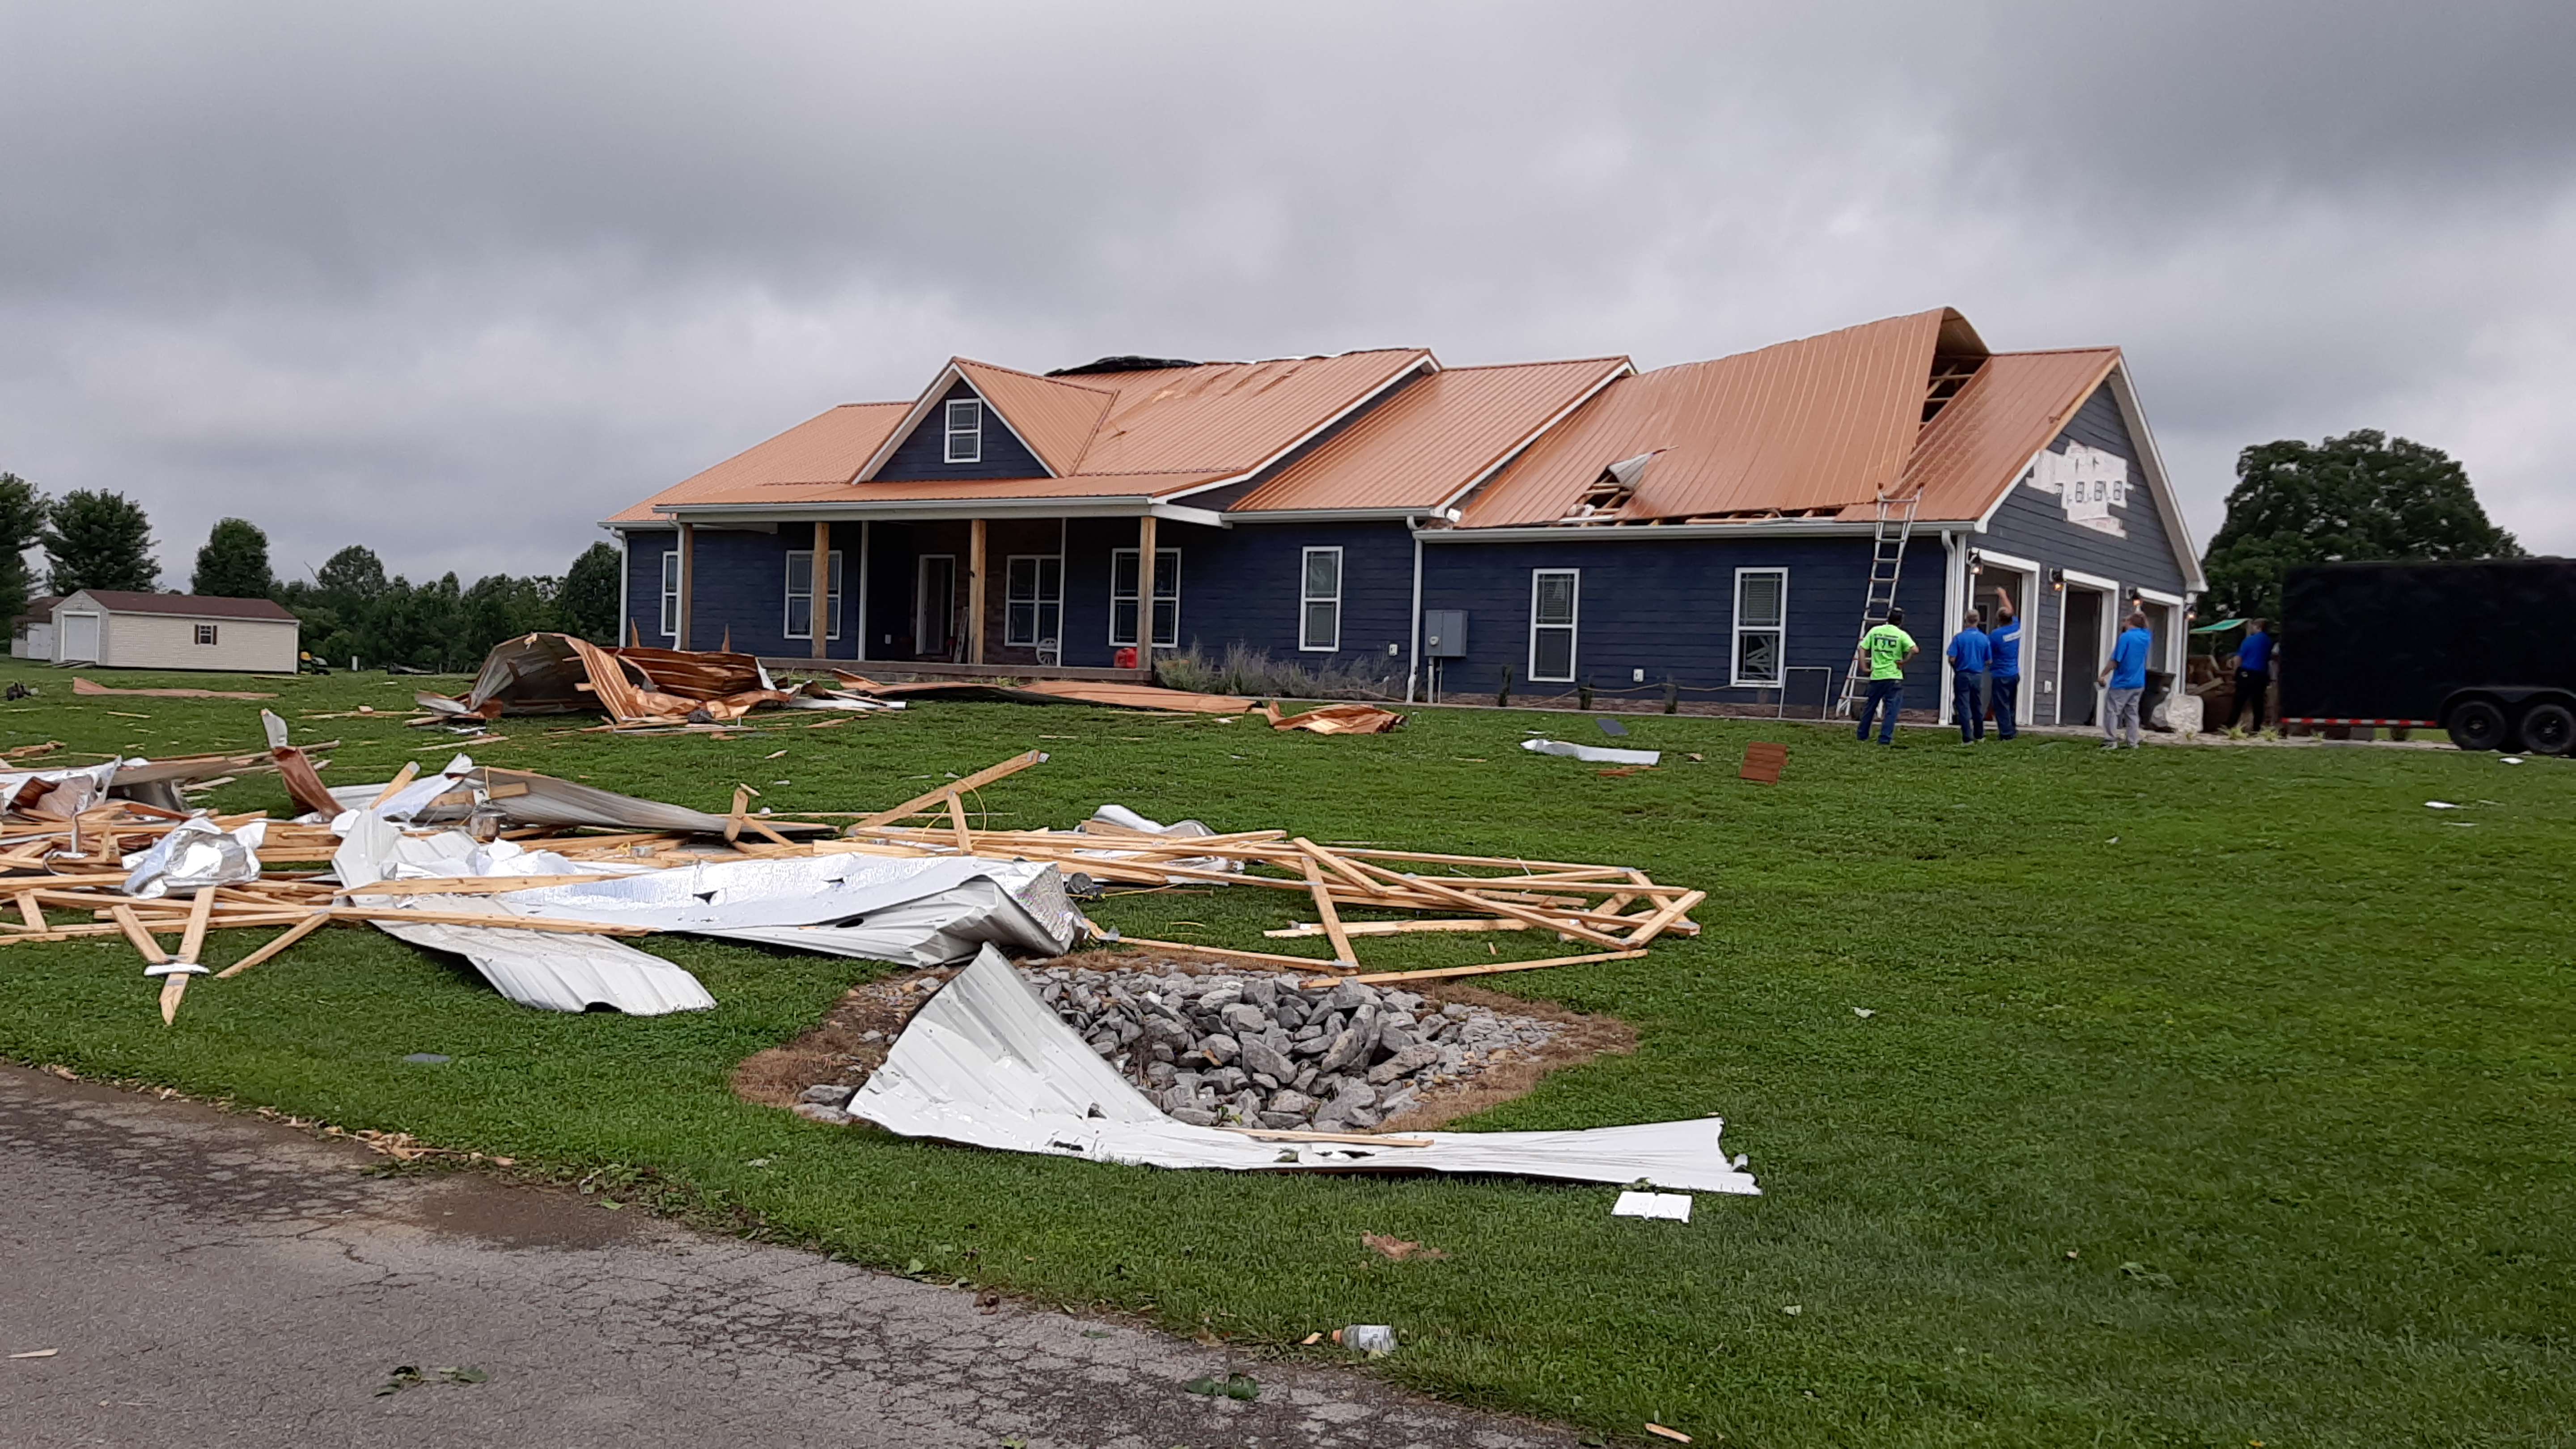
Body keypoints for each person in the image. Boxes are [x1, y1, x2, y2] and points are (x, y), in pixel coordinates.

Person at [1853, 606, 1918, 746]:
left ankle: (1862, 735)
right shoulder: (1901, 635)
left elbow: (1862, 648)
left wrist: (1864, 667)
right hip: (1894, 676)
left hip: (1877, 676)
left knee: (1870, 707)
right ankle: (1885, 739)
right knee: (1891, 710)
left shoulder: (1875, 631)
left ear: (1888, 618)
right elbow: (1915, 650)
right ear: (1901, 621)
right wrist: (1904, 661)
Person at [2097, 610, 2154, 749]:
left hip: (2122, 682)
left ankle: (2110, 741)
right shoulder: (2146, 637)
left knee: (2112, 711)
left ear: (2130, 623)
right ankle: (2133, 742)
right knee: (2132, 713)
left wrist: (2103, 675)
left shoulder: (2126, 637)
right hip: (2139, 682)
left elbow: (2116, 660)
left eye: (2125, 622)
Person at [1945, 608, 1991, 742]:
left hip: (1962, 674)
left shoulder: (1959, 638)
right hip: (1977, 675)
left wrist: (1957, 669)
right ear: (1978, 621)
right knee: (1977, 705)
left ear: (1966, 620)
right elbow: (1989, 660)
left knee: (1963, 705)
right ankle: (1980, 735)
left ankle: (1967, 737)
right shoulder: (1984, 639)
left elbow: (1952, 658)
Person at [1986, 596, 2022, 740]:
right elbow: (2011, 611)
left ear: (1999, 620)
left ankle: (2006, 734)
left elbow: (1987, 654)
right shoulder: (2016, 627)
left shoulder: (1996, 635)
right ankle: (2012, 729)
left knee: (2001, 705)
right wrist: (2003, 595)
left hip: (2000, 674)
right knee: (2011, 704)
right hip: (2014, 673)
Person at [2229, 618, 2273, 730]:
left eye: (2253, 626)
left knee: (2239, 700)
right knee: (2258, 702)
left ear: (2258, 627)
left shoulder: (2250, 640)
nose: (2252, 628)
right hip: (2261, 674)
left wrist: (2235, 671)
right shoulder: (2269, 642)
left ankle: (2231, 725)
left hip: (2247, 672)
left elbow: (2239, 658)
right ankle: (2257, 727)